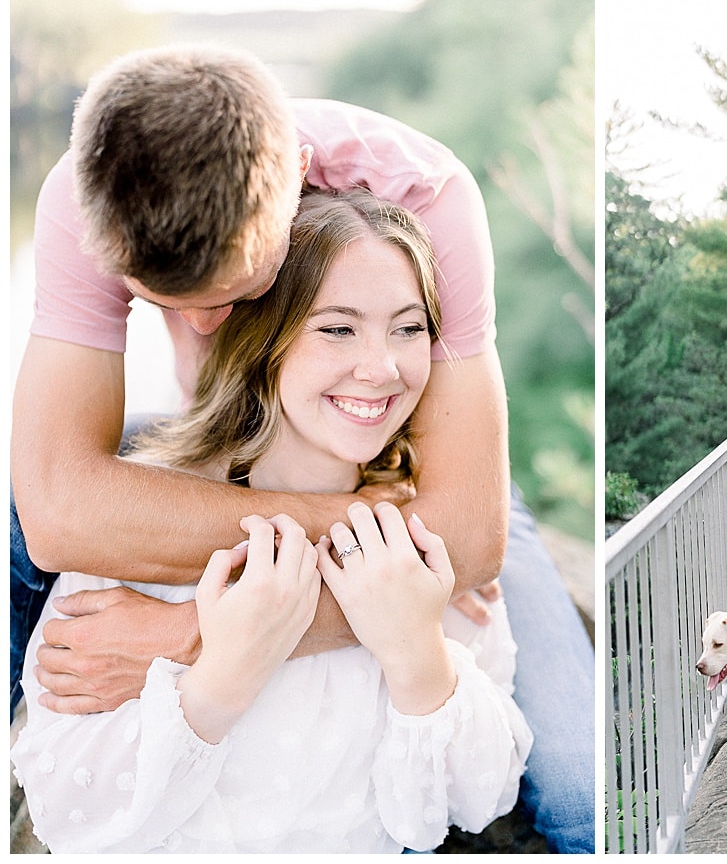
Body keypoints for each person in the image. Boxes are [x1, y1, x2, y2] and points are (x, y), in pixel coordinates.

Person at [10, 45, 594, 851]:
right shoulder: (94, 196)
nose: (208, 329)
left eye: (241, 295)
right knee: (42, 586)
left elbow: (460, 532)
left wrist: (198, 635)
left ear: (298, 184)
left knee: (582, 793)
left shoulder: (428, 197)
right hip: (237, 441)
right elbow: (59, 510)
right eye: (167, 306)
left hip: (410, 464)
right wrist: (369, 531)